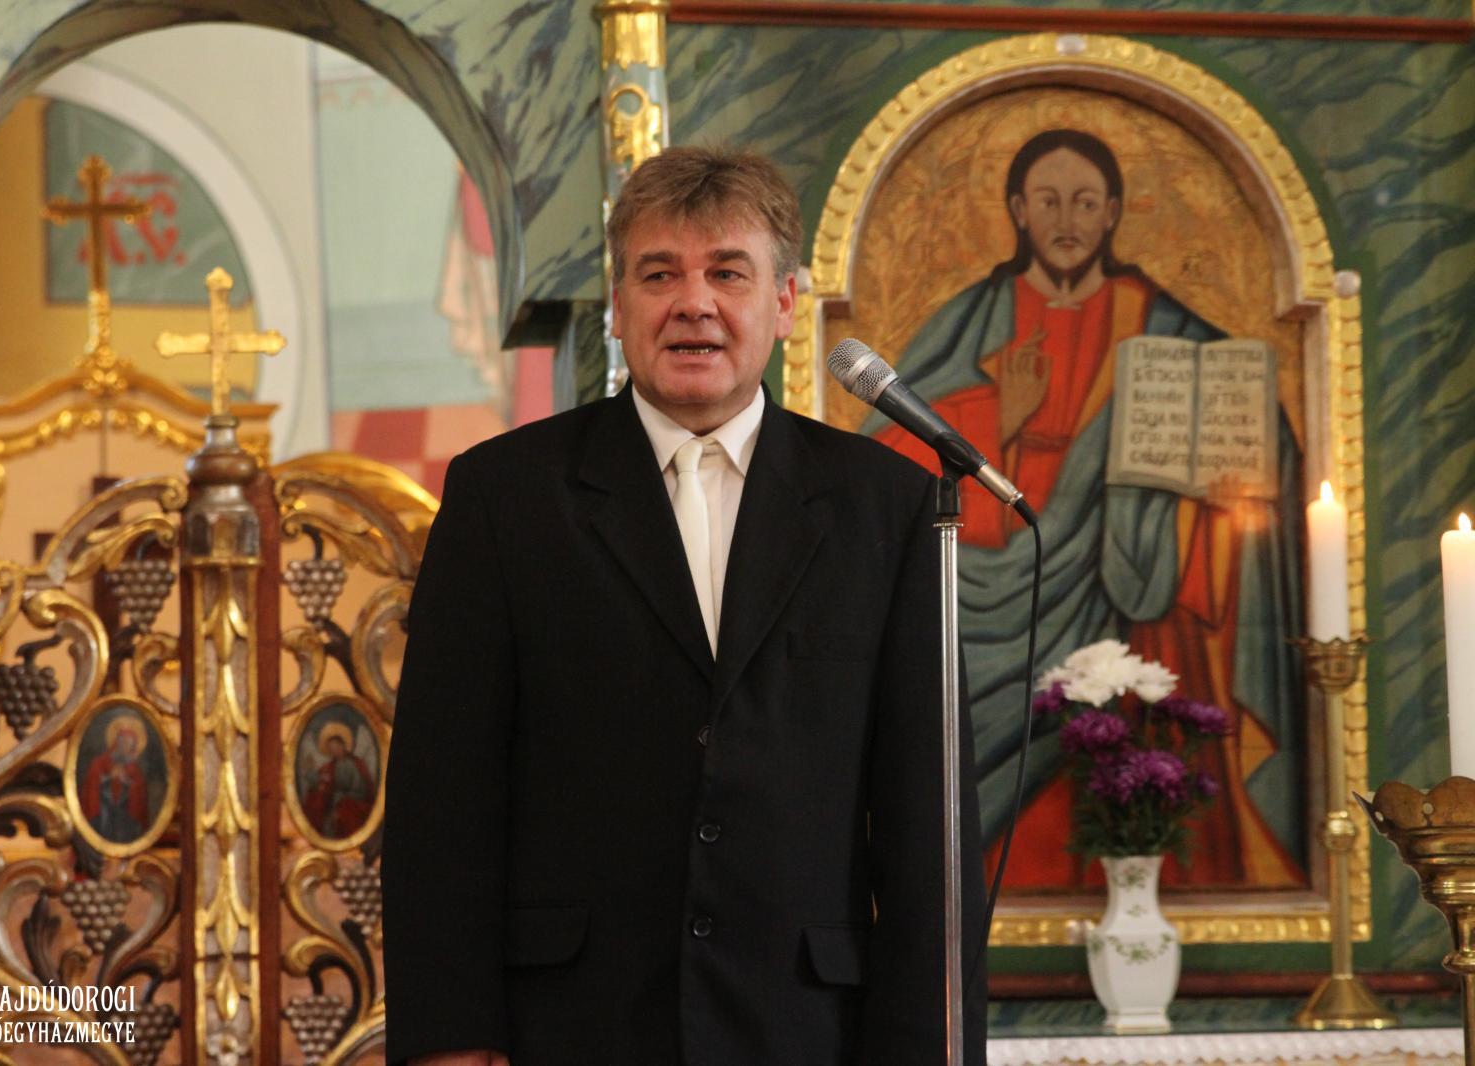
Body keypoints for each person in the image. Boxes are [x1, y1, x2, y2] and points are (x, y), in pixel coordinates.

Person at [383, 145, 986, 1066]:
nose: (693, 303)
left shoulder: (888, 506)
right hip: (571, 1029)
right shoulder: (505, 497)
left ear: (784, 303)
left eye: (728, 273)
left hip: (807, 1033)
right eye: (659, 274)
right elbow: (443, 796)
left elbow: (927, 827)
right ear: (619, 307)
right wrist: (451, 1041)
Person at [867, 128, 1306, 890]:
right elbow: (883, 457)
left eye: (1085, 202)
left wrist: (1217, 461)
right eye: (1048, 201)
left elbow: (1250, 417)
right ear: (1017, 210)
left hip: (1125, 587)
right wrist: (999, 417)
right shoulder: (973, 319)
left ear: (1112, 213)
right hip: (990, 584)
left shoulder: (1161, 322)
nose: (1066, 219)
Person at [81, 715, 150, 844]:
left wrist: (126, 781)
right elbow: (92, 785)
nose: (125, 746)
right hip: (103, 815)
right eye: (123, 742)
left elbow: (139, 795)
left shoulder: (135, 769)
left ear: (133, 746)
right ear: (116, 742)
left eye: (129, 744)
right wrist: (108, 777)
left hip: (125, 818)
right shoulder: (100, 762)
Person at [301, 721, 376, 839]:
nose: (334, 750)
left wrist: (341, 797)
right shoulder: (330, 766)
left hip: (353, 801)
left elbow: (361, 791)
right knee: (315, 803)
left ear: (343, 745)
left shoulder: (355, 764)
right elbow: (320, 782)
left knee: (344, 811)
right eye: (331, 748)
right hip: (333, 802)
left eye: (336, 746)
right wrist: (313, 776)